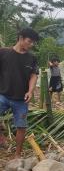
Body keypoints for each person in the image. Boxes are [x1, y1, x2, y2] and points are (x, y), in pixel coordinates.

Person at [0, 28, 39, 157]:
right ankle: (2, 137)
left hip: (21, 99)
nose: (31, 44)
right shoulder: (3, 53)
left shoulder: (31, 58)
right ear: (21, 38)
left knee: (21, 127)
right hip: (3, 95)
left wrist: (30, 91)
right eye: (29, 41)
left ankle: (17, 155)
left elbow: (34, 75)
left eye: (33, 42)